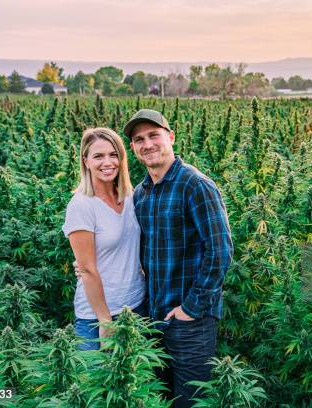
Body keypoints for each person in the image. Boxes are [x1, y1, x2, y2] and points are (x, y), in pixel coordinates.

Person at [123, 109, 233, 408]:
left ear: (170, 137)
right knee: (158, 397)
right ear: (133, 148)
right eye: (138, 139)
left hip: (190, 321)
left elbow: (220, 251)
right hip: (153, 316)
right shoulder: (142, 194)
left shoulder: (194, 184)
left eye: (153, 135)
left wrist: (192, 307)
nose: (147, 144)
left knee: (192, 400)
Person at [62, 127, 146, 351]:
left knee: (136, 383)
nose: (107, 162)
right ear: (85, 161)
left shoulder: (131, 197)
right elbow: (87, 269)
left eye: (113, 154)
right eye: (98, 156)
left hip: (136, 306)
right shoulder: (81, 206)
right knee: (95, 383)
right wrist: (104, 320)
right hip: (96, 317)